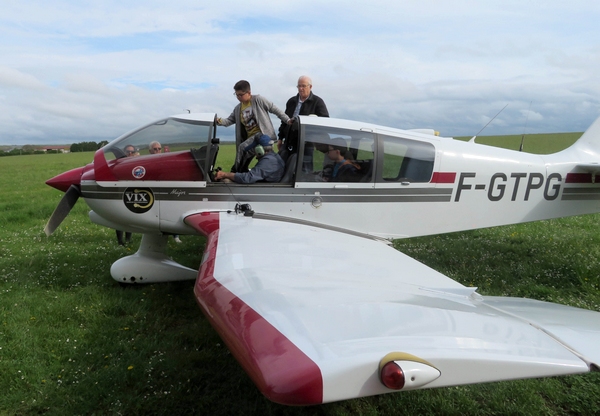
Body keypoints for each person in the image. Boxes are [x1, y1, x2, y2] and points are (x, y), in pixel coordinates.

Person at [216, 80, 291, 172]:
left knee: (242, 148)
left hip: (263, 136)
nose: (238, 97)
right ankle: (242, 172)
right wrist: (218, 121)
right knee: (246, 155)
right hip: (251, 139)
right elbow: (229, 121)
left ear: (249, 93)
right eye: (236, 95)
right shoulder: (238, 108)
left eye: (241, 95)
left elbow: (274, 109)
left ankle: (234, 172)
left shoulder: (258, 100)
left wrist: (287, 120)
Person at [277, 75, 329, 155]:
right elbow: (284, 121)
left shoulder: (317, 102)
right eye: (299, 86)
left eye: (303, 86)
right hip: (289, 141)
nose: (301, 89)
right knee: (282, 163)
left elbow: (325, 121)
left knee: (305, 166)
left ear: (310, 87)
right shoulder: (291, 101)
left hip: (306, 143)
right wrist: (280, 138)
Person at [147, 141, 181, 242]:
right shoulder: (147, 161)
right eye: (155, 149)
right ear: (150, 151)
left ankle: (176, 235)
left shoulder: (165, 161)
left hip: (166, 189)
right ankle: (156, 235)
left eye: (159, 149)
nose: (158, 151)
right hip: (153, 190)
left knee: (172, 210)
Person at [215, 135, 284, 183]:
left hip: (263, 189)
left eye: (254, 149)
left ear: (259, 150)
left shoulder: (269, 161)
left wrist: (224, 174)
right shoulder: (272, 157)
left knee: (225, 182)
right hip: (263, 185)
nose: (254, 152)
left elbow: (247, 178)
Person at [116, 144, 138, 245]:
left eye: (132, 152)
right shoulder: (119, 163)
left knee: (130, 217)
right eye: (128, 151)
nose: (130, 153)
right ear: (124, 152)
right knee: (119, 218)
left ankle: (128, 240)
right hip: (120, 192)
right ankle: (120, 242)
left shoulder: (137, 163)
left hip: (132, 193)